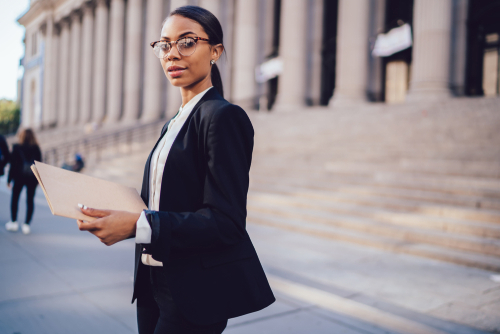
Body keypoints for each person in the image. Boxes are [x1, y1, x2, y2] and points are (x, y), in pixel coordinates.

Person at [76, 5, 275, 334]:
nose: (172, 54)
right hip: (151, 283)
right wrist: (114, 213)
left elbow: (225, 222)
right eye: (164, 45)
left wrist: (140, 225)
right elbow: (163, 201)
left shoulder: (222, 117)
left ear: (215, 51)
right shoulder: (173, 123)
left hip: (193, 293)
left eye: (187, 42)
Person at [5, 128, 42, 235]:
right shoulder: (36, 148)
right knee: (30, 201)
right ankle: (26, 224)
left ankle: (14, 222)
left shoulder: (17, 147)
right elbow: (40, 165)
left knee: (15, 198)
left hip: (19, 177)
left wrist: (9, 179)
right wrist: (39, 181)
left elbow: (12, 165)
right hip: (32, 178)